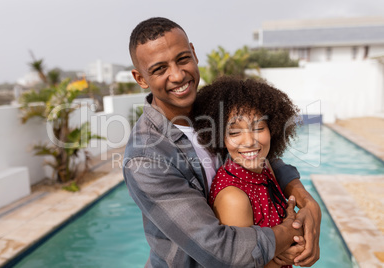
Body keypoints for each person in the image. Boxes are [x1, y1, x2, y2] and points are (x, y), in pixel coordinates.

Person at [123, 17, 321, 267]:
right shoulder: (145, 157)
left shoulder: (213, 108)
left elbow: (258, 156)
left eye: (183, 59)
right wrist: (290, 233)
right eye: (160, 69)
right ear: (140, 78)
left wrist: (308, 202)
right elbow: (219, 250)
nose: (177, 75)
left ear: (194, 53)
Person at [192, 76, 307, 267]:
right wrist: (288, 252)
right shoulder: (234, 198)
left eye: (259, 127)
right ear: (220, 137)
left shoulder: (264, 168)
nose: (249, 141)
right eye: (235, 132)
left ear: (273, 128)